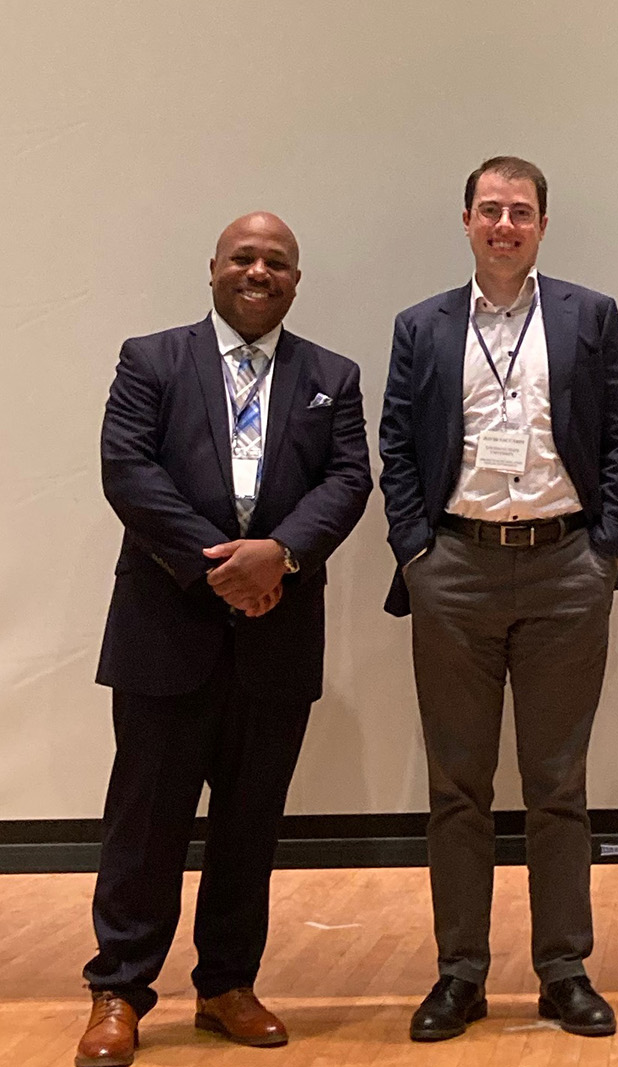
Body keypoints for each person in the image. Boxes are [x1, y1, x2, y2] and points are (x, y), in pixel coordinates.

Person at [80, 213, 371, 1067]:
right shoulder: (152, 360)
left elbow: (350, 478)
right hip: (166, 628)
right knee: (146, 823)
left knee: (251, 822)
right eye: (243, 257)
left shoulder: (332, 376)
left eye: (277, 261)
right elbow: (126, 467)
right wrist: (220, 566)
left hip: (276, 633)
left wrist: (279, 553)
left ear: (296, 279)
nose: (259, 271)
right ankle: (119, 989)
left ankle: (228, 986)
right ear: (211, 268)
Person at [378, 156, 618, 1041]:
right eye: (489, 210)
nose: (504, 224)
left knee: (557, 782)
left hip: (567, 564)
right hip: (454, 567)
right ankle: (460, 972)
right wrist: (415, 551)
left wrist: (605, 552)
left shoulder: (589, 315)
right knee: (458, 785)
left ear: (541, 224)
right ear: (464, 221)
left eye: (520, 211)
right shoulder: (421, 325)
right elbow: (396, 447)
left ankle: (564, 968)